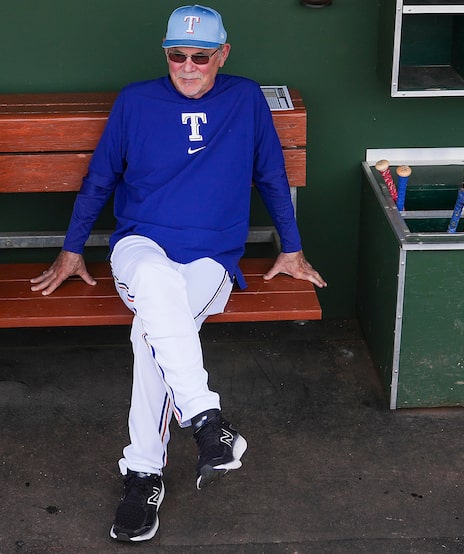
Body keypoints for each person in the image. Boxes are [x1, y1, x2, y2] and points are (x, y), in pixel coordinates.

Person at [29, 4, 326, 543]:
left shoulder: (245, 99)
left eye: (200, 56)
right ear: (165, 53)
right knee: (156, 287)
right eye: (176, 55)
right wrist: (72, 251)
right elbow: (99, 180)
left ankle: (144, 472)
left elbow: (272, 176)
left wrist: (293, 248)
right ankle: (207, 422)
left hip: (210, 259)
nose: (187, 66)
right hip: (140, 249)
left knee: (151, 335)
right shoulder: (135, 101)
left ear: (222, 54)